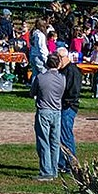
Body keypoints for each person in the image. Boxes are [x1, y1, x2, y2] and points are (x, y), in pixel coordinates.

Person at [30, 52, 65, 181]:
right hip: (57, 111)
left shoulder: (40, 77)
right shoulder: (62, 78)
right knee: (55, 142)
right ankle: (54, 170)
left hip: (44, 110)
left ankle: (46, 171)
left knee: (43, 141)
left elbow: (32, 92)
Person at [56, 47, 82, 172]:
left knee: (66, 135)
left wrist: (65, 100)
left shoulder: (72, 71)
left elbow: (73, 91)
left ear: (64, 57)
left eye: (58, 58)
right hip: (63, 106)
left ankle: (71, 164)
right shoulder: (63, 70)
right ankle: (62, 163)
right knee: (60, 135)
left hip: (68, 106)